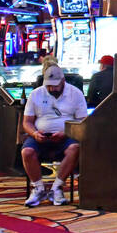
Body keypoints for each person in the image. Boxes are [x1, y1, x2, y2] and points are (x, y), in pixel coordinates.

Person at [21, 65, 88, 206]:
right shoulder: (36, 94)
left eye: (55, 86)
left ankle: (56, 188)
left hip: (67, 136)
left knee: (75, 148)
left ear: (63, 81)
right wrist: (34, 133)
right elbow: (27, 122)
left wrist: (66, 133)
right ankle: (38, 189)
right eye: (49, 86)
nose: (52, 89)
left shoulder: (75, 93)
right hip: (40, 136)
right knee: (27, 152)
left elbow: (83, 121)